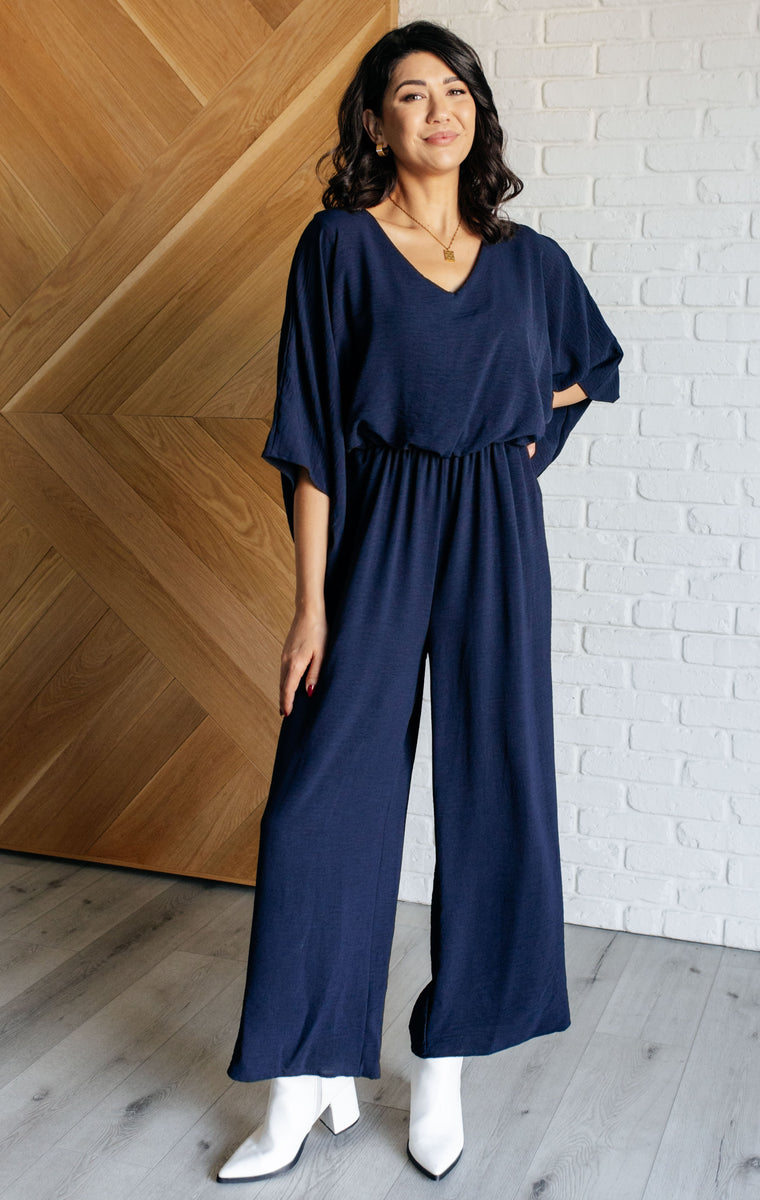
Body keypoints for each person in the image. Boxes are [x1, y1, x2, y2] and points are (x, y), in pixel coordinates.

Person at [216, 18, 623, 1186]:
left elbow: (586, 371)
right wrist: (310, 606)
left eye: (455, 91)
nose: (437, 110)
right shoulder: (339, 248)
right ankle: (304, 1081)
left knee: (497, 785)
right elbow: (311, 441)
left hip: (494, 528)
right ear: (376, 123)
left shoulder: (530, 259)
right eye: (409, 93)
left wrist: (508, 438)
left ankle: (442, 1063)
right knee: (319, 803)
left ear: (475, 116)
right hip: (379, 520)